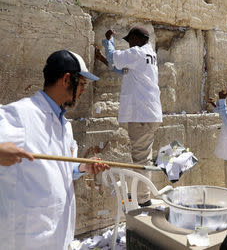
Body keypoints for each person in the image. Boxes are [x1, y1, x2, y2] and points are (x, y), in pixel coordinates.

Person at [0, 50, 110, 249]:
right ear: (67, 79)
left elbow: (62, 169)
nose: (83, 91)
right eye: (82, 84)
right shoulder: (21, 115)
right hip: (27, 239)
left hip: (57, 236)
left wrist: (82, 168)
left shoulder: (64, 125)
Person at [100, 27, 162, 207]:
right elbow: (121, 70)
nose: (129, 44)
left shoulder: (137, 52)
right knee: (144, 157)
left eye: (130, 40)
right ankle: (143, 195)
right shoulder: (148, 54)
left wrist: (109, 41)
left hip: (141, 114)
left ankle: (143, 200)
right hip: (148, 114)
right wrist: (102, 59)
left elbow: (115, 58)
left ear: (136, 38)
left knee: (140, 160)